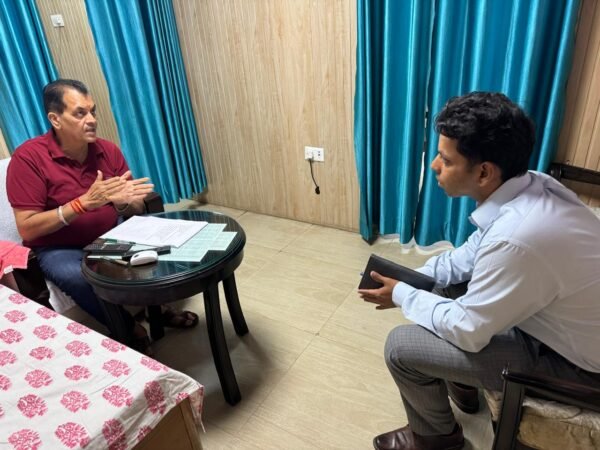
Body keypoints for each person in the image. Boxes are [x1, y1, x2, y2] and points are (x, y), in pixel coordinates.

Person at [358, 92, 600, 450]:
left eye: (445, 159)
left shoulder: (517, 238)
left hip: (577, 368)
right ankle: (463, 386)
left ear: (484, 172)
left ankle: (436, 440)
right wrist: (413, 280)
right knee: (438, 287)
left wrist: (401, 295)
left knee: (400, 348)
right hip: (563, 326)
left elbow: (468, 331)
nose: (434, 166)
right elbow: (467, 258)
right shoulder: (531, 185)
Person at [6, 79, 199, 354]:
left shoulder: (107, 150)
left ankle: (156, 309)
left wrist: (124, 205)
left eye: (93, 111)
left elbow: (134, 206)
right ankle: (128, 328)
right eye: (80, 113)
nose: (92, 120)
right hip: (59, 246)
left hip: (108, 234)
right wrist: (82, 204)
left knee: (151, 252)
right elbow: (27, 228)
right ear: (55, 119)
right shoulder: (28, 158)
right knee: (77, 276)